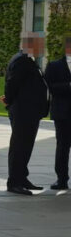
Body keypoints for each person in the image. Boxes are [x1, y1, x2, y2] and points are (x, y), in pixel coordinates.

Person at [1, 33, 49, 195]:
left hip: (30, 111)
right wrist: (8, 99)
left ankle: (22, 178)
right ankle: (14, 181)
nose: (41, 48)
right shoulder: (21, 60)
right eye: (39, 44)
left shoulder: (27, 60)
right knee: (19, 146)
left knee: (25, 146)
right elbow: (12, 83)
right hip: (23, 111)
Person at [45, 35, 71, 190]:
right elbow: (49, 87)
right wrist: (68, 86)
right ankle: (61, 179)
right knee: (63, 146)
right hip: (62, 113)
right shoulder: (54, 66)